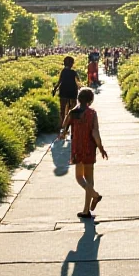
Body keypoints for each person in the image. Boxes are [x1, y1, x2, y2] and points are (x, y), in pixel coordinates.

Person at [59, 88, 108, 219]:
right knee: (90, 179)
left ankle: (94, 197)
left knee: (79, 178)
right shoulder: (92, 113)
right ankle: (88, 206)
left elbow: (63, 128)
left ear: (78, 98)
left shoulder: (73, 112)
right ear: (91, 100)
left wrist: (62, 135)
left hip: (77, 149)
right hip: (89, 148)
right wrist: (101, 148)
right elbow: (95, 132)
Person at [52, 56, 81, 130]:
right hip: (73, 91)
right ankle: (72, 124)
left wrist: (55, 89)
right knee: (73, 109)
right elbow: (78, 80)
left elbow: (59, 81)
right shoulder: (73, 72)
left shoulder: (63, 71)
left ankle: (62, 125)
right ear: (72, 64)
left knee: (62, 109)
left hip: (64, 91)